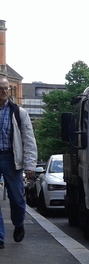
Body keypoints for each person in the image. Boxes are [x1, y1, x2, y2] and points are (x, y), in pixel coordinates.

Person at [0, 77, 38, 249]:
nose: (4, 92)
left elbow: (28, 139)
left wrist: (30, 164)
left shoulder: (18, 112)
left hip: (11, 158)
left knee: (16, 198)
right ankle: (0, 237)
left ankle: (18, 223)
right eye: (1, 88)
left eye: (6, 88)